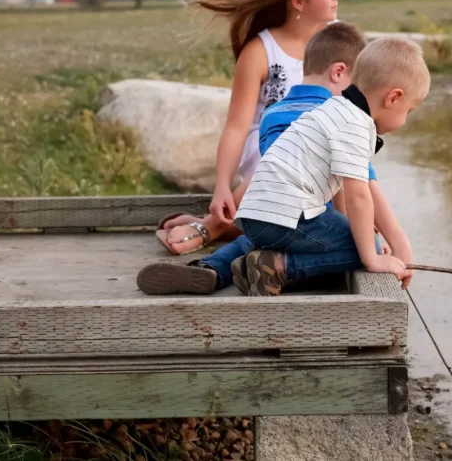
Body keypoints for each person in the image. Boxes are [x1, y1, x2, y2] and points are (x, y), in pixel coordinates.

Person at [137, 22, 395, 295]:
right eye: (356, 88)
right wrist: (381, 242)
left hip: (259, 212)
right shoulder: (338, 117)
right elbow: (359, 191)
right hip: (308, 215)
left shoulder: (273, 113)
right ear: (339, 72)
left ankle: (210, 269)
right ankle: (284, 268)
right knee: (367, 248)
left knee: (259, 238)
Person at [152, 0, 340, 255]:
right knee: (290, 150)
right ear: (298, 1)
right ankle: (212, 225)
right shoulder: (261, 51)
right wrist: (222, 186)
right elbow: (237, 127)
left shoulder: (336, 41)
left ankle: (235, 225)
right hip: (266, 150)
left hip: (318, 155)